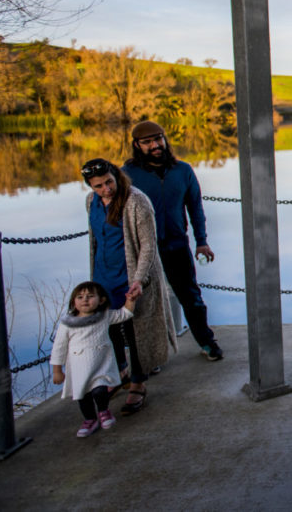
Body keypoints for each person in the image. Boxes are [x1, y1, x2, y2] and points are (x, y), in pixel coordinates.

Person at [122, 121, 223, 361]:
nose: (155, 145)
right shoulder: (127, 175)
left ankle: (206, 342)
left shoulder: (183, 170)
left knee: (191, 296)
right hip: (142, 250)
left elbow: (195, 208)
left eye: (158, 139)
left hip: (177, 245)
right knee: (142, 302)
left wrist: (202, 241)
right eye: (147, 142)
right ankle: (146, 357)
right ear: (137, 145)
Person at [83, 157, 176, 415]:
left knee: (136, 331)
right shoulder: (91, 202)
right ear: (90, 186)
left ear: (116, 176)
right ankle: (121, 372)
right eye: (98, 185)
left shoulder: (136, 200)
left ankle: (138, 383)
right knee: (112, 329)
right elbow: (96, 240)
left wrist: (139, 279)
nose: (106, 189)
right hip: (104, 277)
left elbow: (148, 245)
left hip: (132, 276)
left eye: (109, 182)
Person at [51, 281, 138, 437]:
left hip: (101, 364)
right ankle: (90, 419)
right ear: (73, 302)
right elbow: (59, 347)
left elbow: (124, 314)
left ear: (101, 300)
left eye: (90, 296)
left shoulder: (104, 316)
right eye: (80, 297)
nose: (85, 300)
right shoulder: (68, 323)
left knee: (100, 391)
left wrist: (130, 300)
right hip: (79, 367)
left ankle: (104, 411)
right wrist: (57, 370)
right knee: (83, 396)